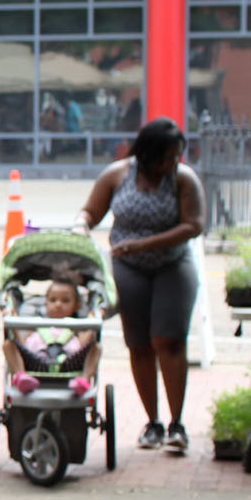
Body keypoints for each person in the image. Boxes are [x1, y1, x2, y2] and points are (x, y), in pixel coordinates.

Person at [76, 116, 204, 454]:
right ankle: (153, 422)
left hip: (172, 264)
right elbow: (91, 212)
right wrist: (81, 227)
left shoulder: (183, 180)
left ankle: (177, 423)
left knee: (169, 340)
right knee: (140, 344)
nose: (170, 163)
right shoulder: (118, 175)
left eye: (176, 156)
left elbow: (194, 225)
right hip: (128, 266)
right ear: (146, 154)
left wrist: (145, 244)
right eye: (165, 157)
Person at [3, 268, 99, 396]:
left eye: (65, 301)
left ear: (76, 305)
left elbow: (84, 342)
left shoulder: (76, 327)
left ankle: (84, 380)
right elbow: (23, 343)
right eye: (53, 300)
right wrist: (13, 321)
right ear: (46, 303)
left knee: (96, 347)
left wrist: (92, 319)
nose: (58, 305)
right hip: (37, 362)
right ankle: (21, 377)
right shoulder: (37, 324)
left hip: (68, 363)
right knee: (8, 344)